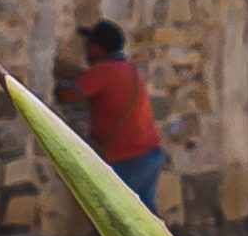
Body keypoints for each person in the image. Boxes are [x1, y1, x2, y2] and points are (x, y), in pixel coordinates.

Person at [56, 18, 169, 212]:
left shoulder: (104, 70)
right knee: (145, 219)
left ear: (99, 48)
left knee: (117, 216)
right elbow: (87, 78)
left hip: (129, 159)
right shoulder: (126, 68)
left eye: (89, 45)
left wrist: (55, 87)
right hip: (149, 154)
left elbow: (69, 95)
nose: (86, 49)